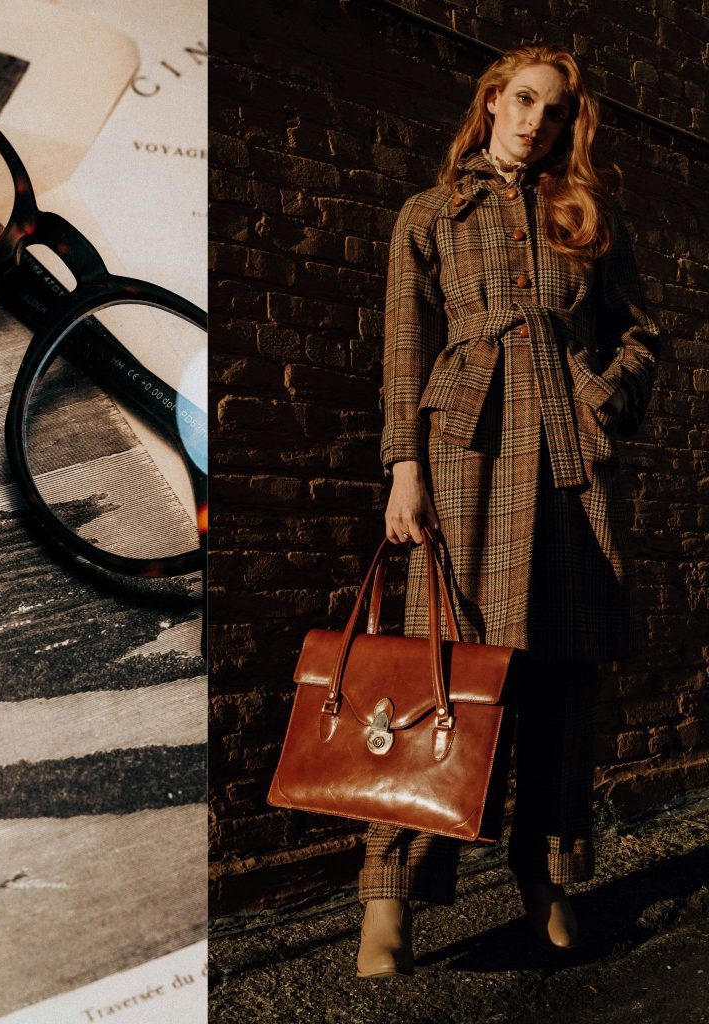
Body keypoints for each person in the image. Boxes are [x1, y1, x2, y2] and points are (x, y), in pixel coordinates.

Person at [357, 44, 661, 977]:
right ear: (492, 101)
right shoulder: (430, 214)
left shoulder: (585, 216)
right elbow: (405, 350)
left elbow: (641, 335)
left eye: (555, 110)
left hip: (567, 462)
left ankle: (548, 878)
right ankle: (392, 892)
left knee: (562, 676)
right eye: (524, 100)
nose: (537, 121)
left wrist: (602, 397)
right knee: (440, 669)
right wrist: (404, 467)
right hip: (467, 454)